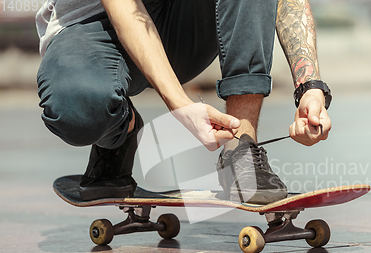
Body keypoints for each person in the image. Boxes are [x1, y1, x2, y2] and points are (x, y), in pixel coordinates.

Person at [36, 0, 332, 204]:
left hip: (182, 22)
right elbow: (126, 10)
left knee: (242, 152)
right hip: (93, 25)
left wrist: (310, 87)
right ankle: (121, 130)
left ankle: (241, 150)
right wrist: (181, 104)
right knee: (74, 110)